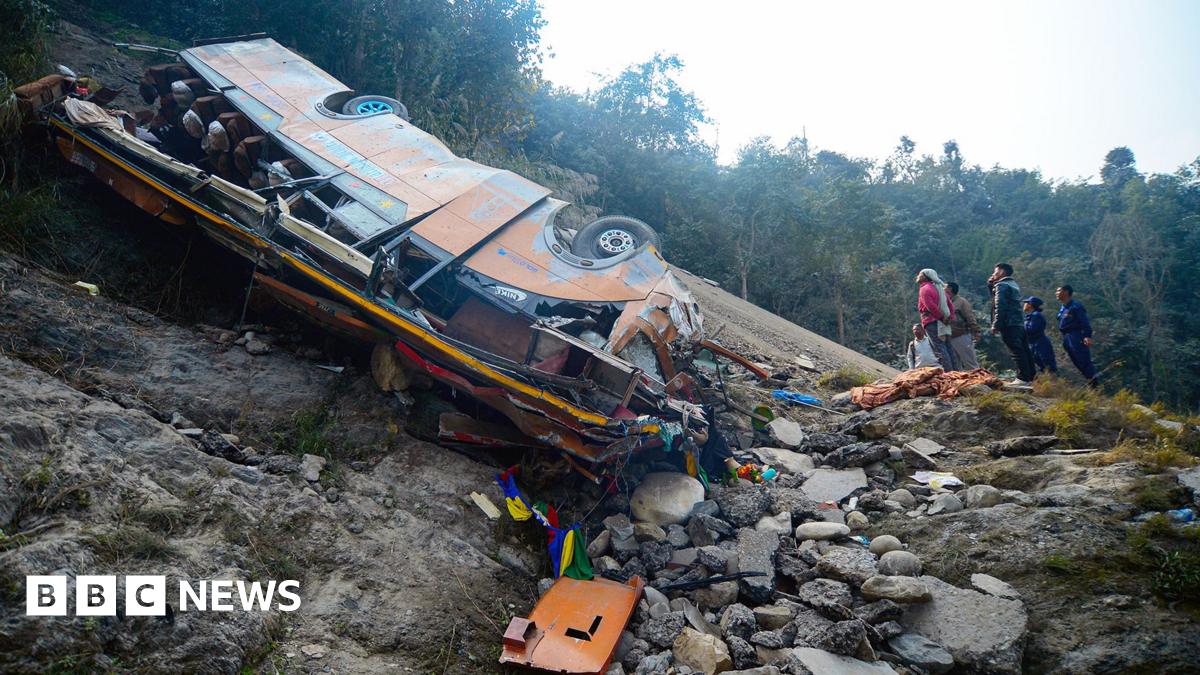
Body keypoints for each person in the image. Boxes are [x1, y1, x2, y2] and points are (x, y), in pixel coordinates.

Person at [988, 262, 1036, 383]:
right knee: (1024, 350)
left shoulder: (1001, 285)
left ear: (1002, 272)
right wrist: (991, 285)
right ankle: (1030, 376)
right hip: (1018, 322)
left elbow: (1000, 305)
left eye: (995, 272)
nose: (993, 274)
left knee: (1016, 351)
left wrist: (996, 324)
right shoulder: (1013, 284)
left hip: (1008, 323)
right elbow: (997, 299)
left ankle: (1023, 378)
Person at [1055, 285, 1100, 386]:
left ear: (1066, 292)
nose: (1056, 293)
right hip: (1066, 337)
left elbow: (1084, 322)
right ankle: (1090, 383)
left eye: (1059, 291)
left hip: (1075, 336)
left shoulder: (1076, 306)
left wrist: (1087, 336)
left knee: (1083, 360)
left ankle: (1095, 386)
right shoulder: (1063, 307)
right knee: (1076, 361)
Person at [915, 268, 956, 371]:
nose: (918, 276)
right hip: (944, 322)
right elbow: (950, 304)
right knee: (948, 347)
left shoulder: (925, 289)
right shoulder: (939, 289)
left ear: (925, 276)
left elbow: (930, 306)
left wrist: (941, 317)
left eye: (920, 274)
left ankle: (949, 373)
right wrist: (950, 318)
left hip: (932, 321)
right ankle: (956, 371)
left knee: (939, 348)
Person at [945, 282, 981, 370]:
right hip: (949, 337)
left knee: (970, 362)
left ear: (950, 289)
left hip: (962, 335)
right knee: (955, 365)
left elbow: (970, 317)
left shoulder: (961, 302)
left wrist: (976, 331)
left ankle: (979, 382)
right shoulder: (945, 303)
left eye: (944, 287)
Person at [1022, 296, 1057, 374]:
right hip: (1034, 344)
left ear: (1030, 305)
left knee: (1048, 366)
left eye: (1026, 303)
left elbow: (1031, 329)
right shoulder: (1031, 316)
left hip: (1040, 344)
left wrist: (1020, 328)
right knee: (1041, 366)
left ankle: (1053, 383)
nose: (1024, 304)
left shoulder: (1036, 315)